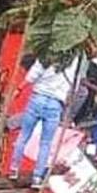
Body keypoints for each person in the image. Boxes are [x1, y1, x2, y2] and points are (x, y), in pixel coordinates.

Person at [8, 57, 79, 186]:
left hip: (38, 98)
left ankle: (13, 169)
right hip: (55, 103)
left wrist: (19, 88)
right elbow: (75, 83)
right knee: (45, 143)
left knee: (24, 136)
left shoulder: (47, 55)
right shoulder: (74, 61)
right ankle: (37, 177)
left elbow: (34, 72)